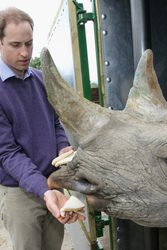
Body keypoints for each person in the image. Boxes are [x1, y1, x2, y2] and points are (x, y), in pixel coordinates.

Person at [0, 6, 84, 250]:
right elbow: (7, 154)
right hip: (19, 193)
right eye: (16, 45)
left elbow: (55, 122)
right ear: (0, 43)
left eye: (29, 43)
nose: (25, 52)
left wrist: (62, 147)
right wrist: (43, 189)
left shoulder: (40, 79)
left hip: (52, 183)